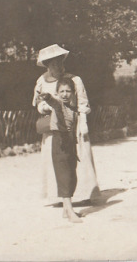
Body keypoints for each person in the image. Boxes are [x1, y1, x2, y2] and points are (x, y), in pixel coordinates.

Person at [32, 44, 100, 207]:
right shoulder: (41, 81)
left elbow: (83, 103)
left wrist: (82, 124)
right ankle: (58, 197)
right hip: (53, 126)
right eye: (53, 63)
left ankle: (83, 194)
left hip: (73, 124)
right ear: (47, 65)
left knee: (79, 156)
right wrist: (45, 106)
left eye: (60, 62)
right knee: (55, 158)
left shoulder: (74, 80)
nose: (58, 66)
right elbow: (37, 103)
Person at [38, 77, 82, 222]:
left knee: (72, 175)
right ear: (57, 92)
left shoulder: (72, 107)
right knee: (64, 175)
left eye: (68, 91)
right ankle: (70, 211)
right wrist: (47, 97)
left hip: (70, 143)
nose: (64, 94)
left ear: (73, 93)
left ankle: (65, 209)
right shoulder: (58, 105)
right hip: (60, 142)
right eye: (61, 91)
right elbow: (54, 102)